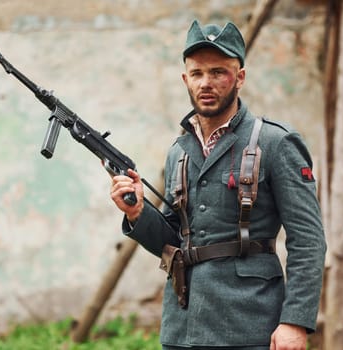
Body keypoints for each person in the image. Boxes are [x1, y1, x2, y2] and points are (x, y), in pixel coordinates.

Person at [109, 19, 326, 350]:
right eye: (196, 74)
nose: (205, 83)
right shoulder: (179, 151)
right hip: (183, 329)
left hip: (251, 328)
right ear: (185, 79)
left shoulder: (276, 142)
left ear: (239, 77)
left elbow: (308, 240)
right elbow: (173, 241)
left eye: (218, 72)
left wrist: (294, 321)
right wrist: (137, 211)